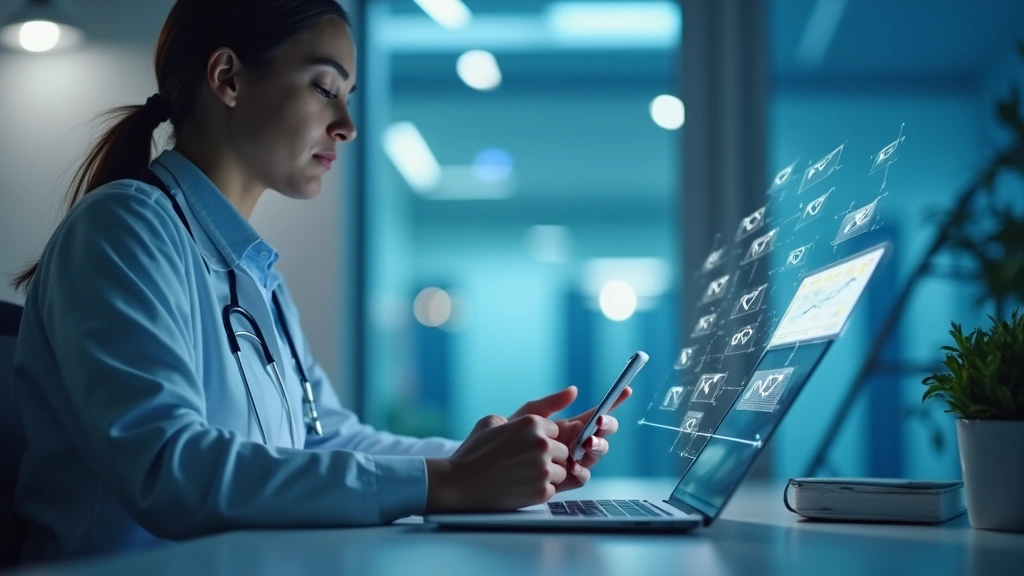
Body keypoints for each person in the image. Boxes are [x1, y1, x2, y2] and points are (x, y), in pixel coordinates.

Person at [9, 0, 631, 564]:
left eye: (349, 95)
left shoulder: (255, 274)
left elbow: (326, 438)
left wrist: (493, 457)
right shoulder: (126, 227)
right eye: (325, 88)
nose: (348, 126)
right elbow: (170, 471)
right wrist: (451, 482)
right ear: (227, 77)